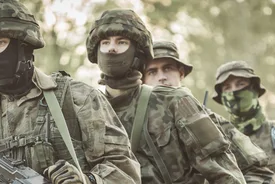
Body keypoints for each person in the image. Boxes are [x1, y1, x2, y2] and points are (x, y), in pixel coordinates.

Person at [0, 1, 140, 183]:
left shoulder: (78, 99)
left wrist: (88, 180)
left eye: (0, 43)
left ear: (24, 47)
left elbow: (125, 174)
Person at [86, 9, 245, 183]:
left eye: (122, 42)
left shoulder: (175, 101)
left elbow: (225, 174)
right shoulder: (89, 113)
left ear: (138, 52)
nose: (112, 48)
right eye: (105, 43)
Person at [143, 41, 275, 183]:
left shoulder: (207, 120)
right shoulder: (129, 122)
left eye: (168, 68)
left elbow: (257, 171)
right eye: (152, 72)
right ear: (142, 79)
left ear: (181, 73)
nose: (161, 77)